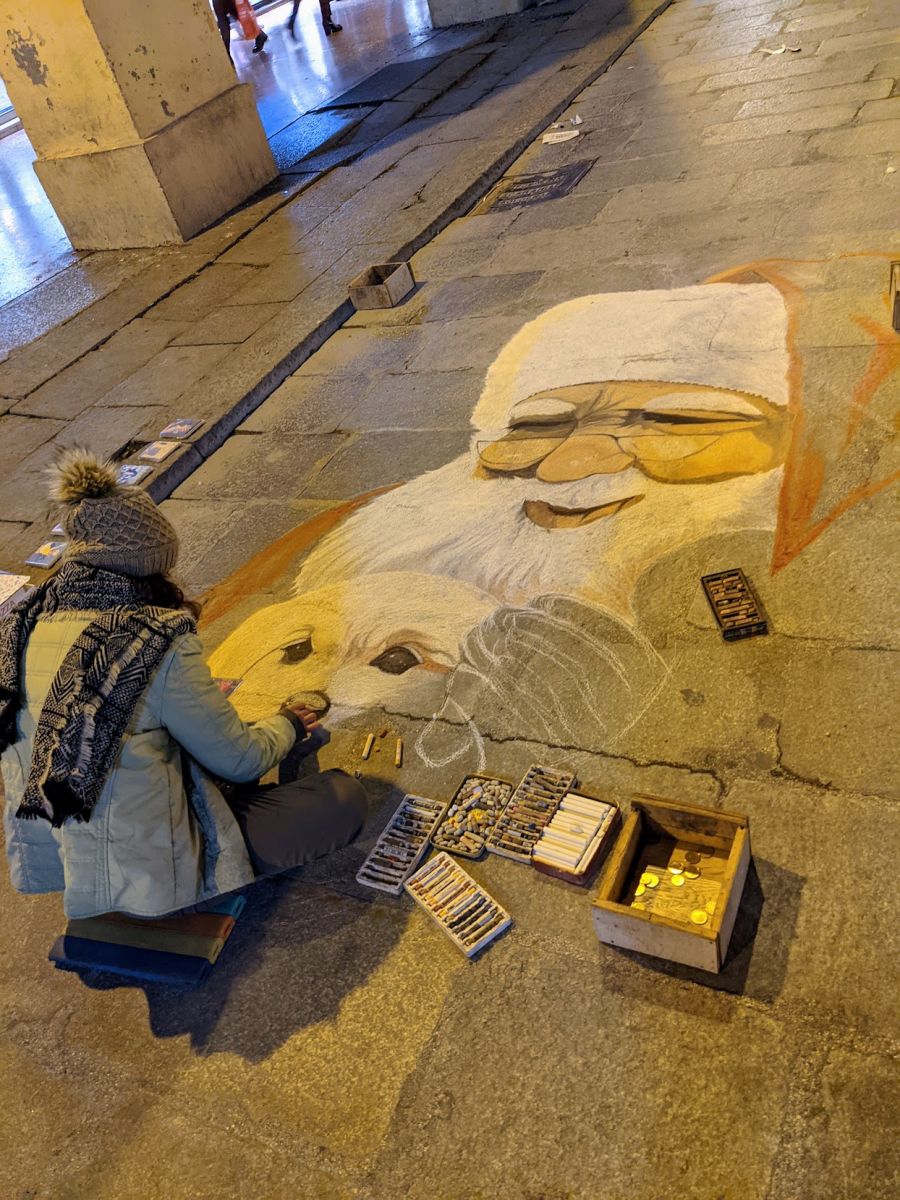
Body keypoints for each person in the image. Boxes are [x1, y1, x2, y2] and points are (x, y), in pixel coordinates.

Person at [0, 452, 366, 920]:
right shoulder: (151, 637)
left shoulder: (19, 625)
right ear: (148, 565)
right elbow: (240, 760)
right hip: (153, 871)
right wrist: (289, 724)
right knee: (341, 799)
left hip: (63, 859)